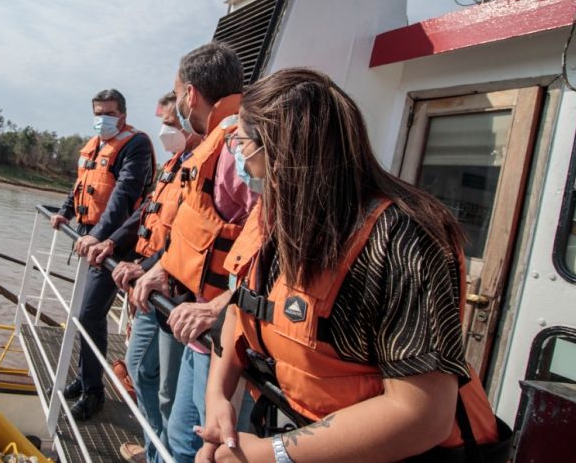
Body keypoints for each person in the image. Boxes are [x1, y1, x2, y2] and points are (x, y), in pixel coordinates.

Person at [196, 68, 509, 462]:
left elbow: (423, 413)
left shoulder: (403, 238)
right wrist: (218, 398)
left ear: (276, 149)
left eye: (241, 140)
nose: (237, 153)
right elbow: (241, 311)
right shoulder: (274, 220)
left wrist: (270, 455)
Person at [130, 43, 258, 463]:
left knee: (215, 450)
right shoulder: (214, 145)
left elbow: (275, 249)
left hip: (226, 340)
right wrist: (161, 269)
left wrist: (219, 305)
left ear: (190, 95)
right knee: (183, 443)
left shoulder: (242, 150)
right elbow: (194, 227)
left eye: (177, 92)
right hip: (199, 333)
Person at [86, 91, 199, 462]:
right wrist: (111, 242)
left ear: (187, 119)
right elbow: (145, 212)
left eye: (168, 122)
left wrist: (147, 267)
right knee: (137, 367)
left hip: (175, 293)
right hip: (151, 287)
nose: (163, 130)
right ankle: (155, 448)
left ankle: (161, 454)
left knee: (169, 390)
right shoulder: (173, 163)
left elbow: (188, 235)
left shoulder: (199, 168)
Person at [53, 88, 155, 421]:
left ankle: (93, 392)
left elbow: (123, 197)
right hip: (87, 236)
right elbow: (81, 182)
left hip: (114, 243)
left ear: (122, 114)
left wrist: (100, 237)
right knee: (84, 313)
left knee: (89, 314)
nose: (102, 119)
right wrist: (66, 212)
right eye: (98, 113)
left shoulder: (135, 145)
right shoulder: (96, 145)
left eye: (109, 113)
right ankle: (84, 377)